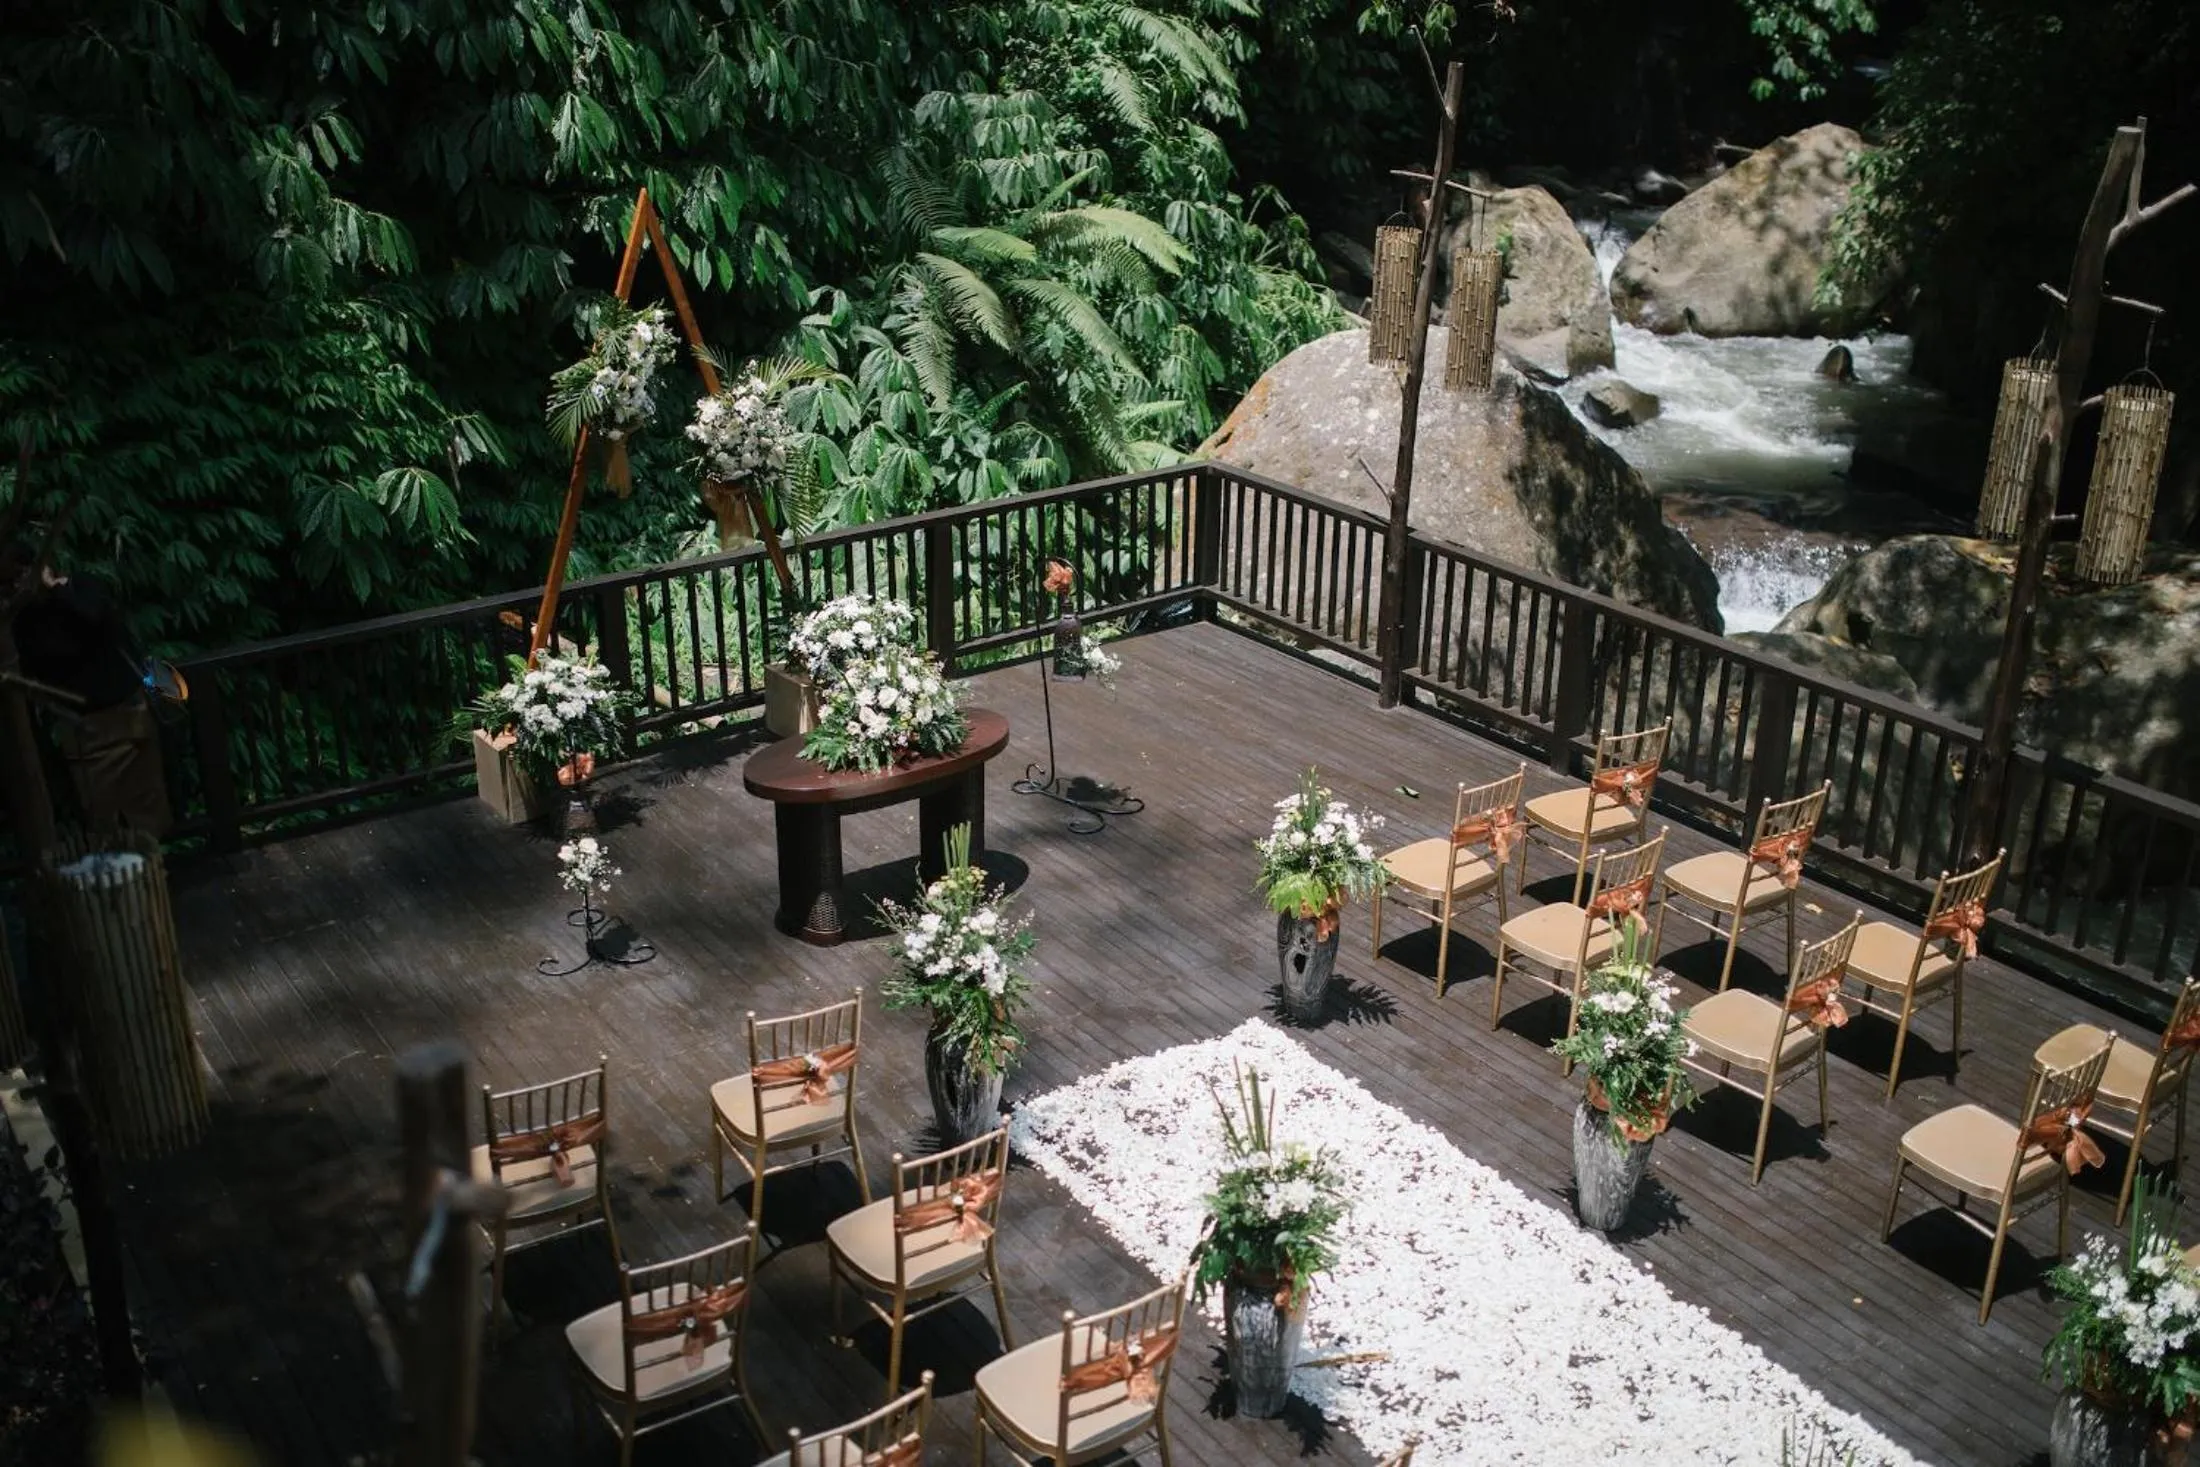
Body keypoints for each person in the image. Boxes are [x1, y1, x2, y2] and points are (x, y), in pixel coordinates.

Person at [3, 544, 172, 836]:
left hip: (126, 711)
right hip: (86, 726)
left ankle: (155, 865)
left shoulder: (81, 587)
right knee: (101, 815)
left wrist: (55, 589)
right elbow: (38, 667)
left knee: (147, 804)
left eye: (22, 575)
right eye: (12, 581)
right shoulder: (26, 621)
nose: (20, 584)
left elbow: (94, 617)